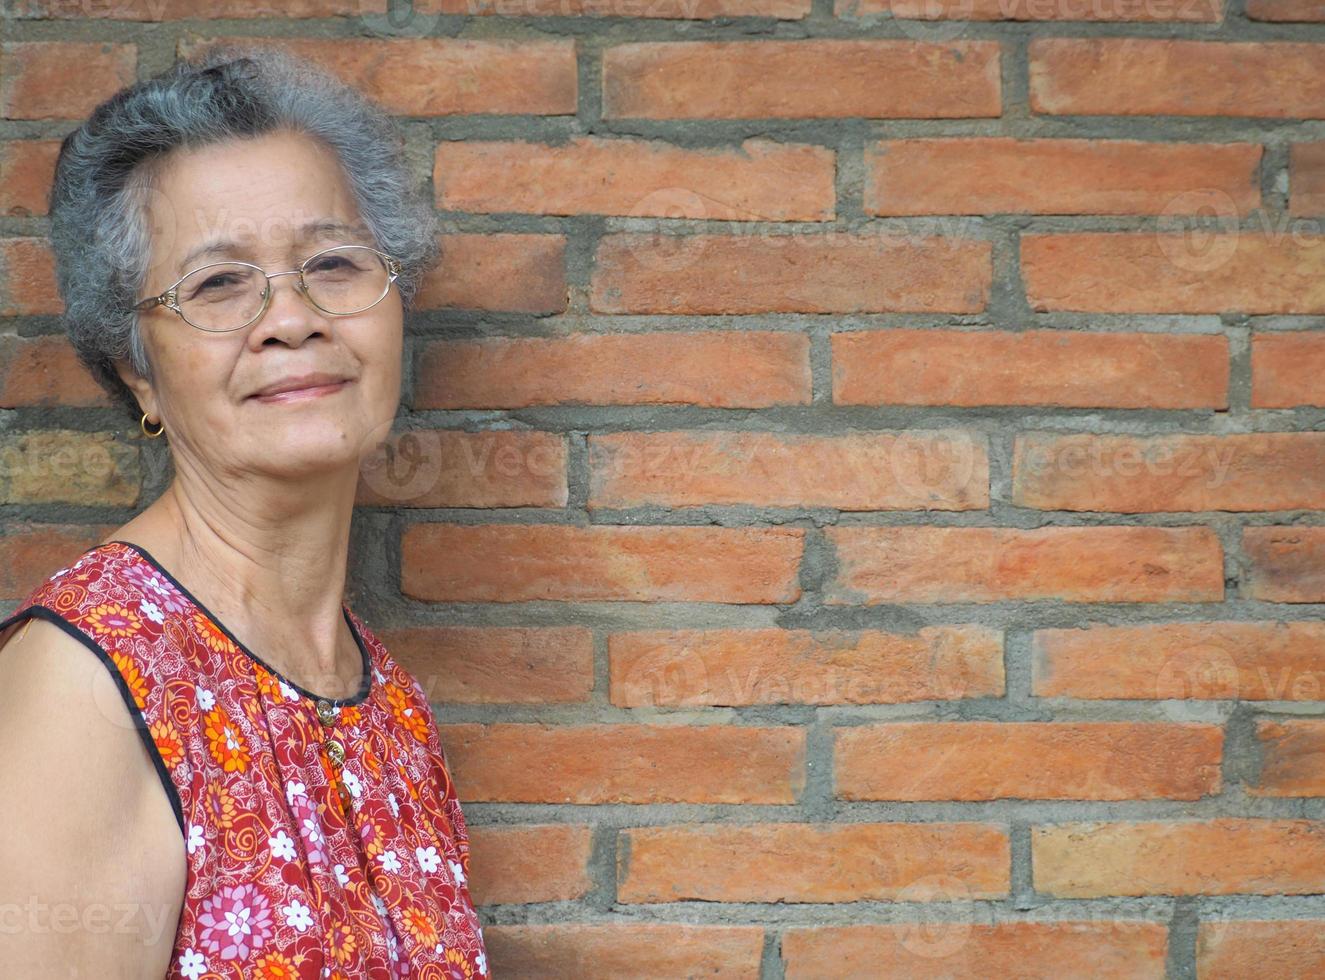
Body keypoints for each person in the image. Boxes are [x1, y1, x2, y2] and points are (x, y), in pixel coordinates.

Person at [0, 42, 489, 979]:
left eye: (335, 263)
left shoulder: (384, 702)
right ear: (136, 370)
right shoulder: (85, 691)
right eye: (219, 283)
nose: (292, 317)